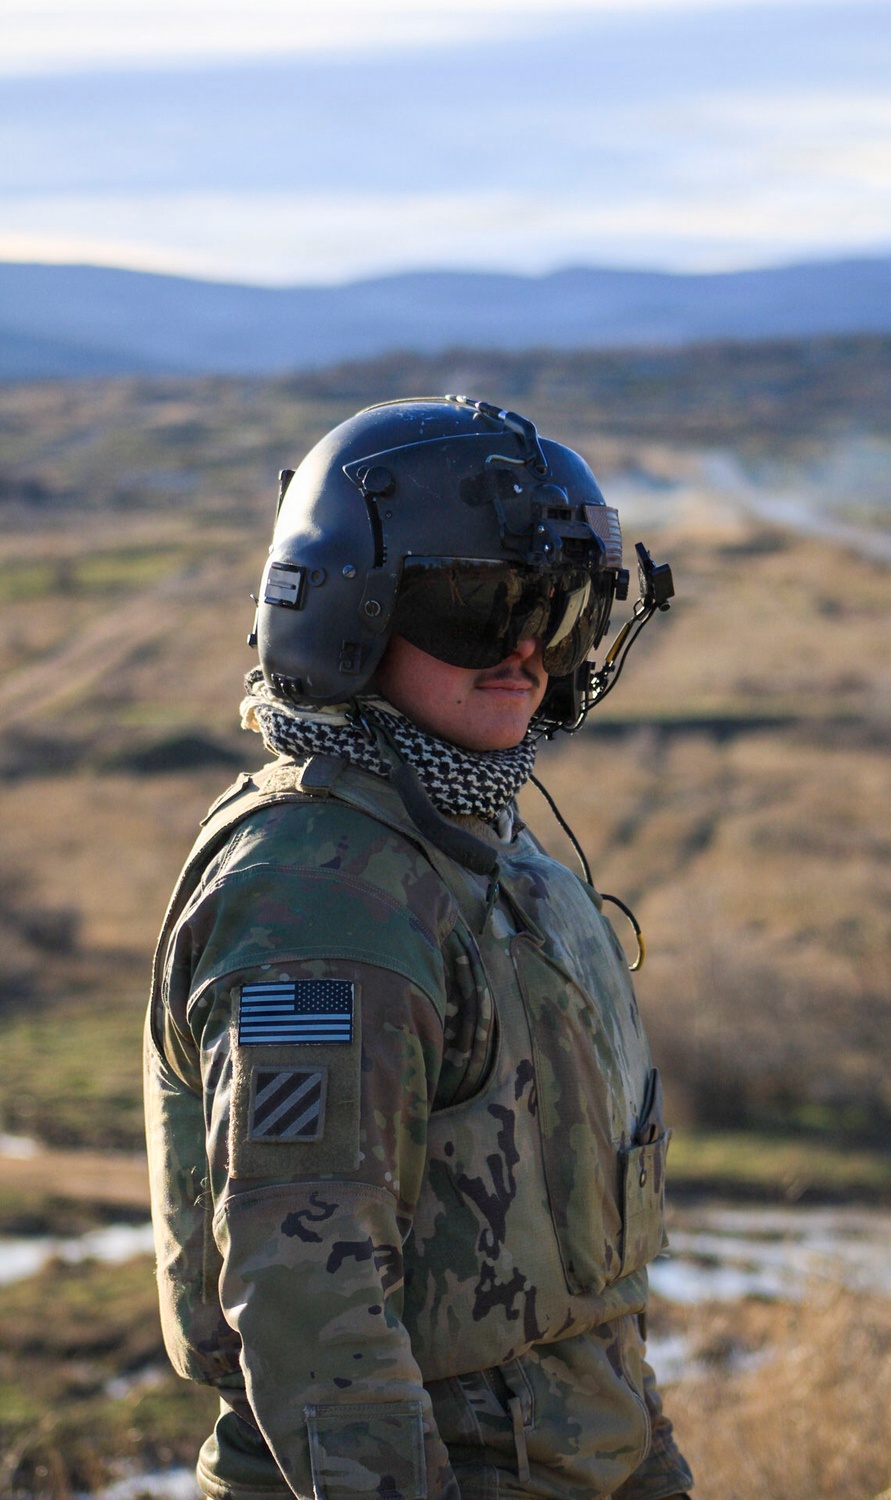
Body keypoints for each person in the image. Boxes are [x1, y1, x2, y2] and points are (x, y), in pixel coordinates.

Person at [144, 396, 692, 1500]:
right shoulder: (319, 890)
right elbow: (310, 1297)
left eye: (561, 606)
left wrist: (643, 1462)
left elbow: (577, 1297)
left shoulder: (473, 837)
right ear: (348, 612)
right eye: (477, 608)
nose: (526, 651)